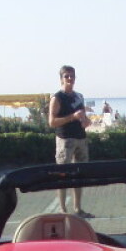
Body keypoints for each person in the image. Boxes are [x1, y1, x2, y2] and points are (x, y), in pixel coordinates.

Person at [49, 65, 90, 216]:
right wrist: (72, 117)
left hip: (81, 138)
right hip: (65, 140)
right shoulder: (57, 98)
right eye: (67, 76)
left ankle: (78, 208)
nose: (70, 79)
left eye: (72, 76)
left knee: (79, 174)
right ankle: (62, 209)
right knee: (62, 175)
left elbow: (83, 116)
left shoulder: (79, 96)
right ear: (61, 79)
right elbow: (52, 122)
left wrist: (86, 121)